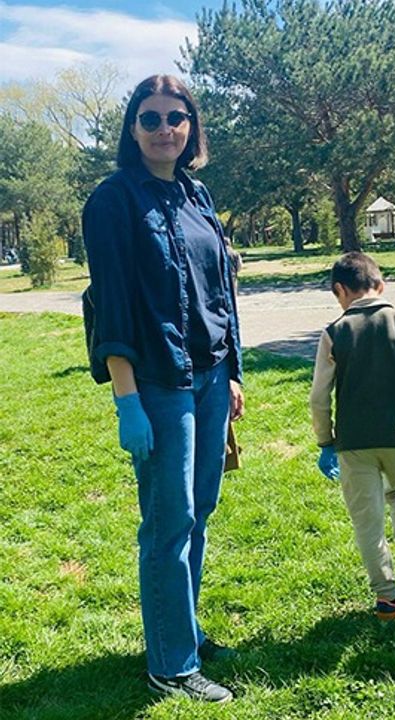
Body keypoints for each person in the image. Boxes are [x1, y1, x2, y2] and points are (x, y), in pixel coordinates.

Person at [82, 74, 242, 703]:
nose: (165, 129)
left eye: (176, 117)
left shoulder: (197, 194)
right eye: (150, 118)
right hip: (157, 382)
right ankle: (171, 664)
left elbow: (220, 292)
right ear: (132, 128)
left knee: (199, 512)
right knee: (169, 522)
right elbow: (112, 305)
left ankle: (185, 631)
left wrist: (232, 372)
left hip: (210, 378)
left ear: (191, 127)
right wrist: (127, 401)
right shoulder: (113, 200)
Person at [309, 252, 395, 622]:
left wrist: (325, 441)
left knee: (367, 519)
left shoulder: (334, 333)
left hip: (353, 441)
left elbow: (319, 396)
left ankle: (388, 598)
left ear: (340, 290)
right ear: (381, 285)